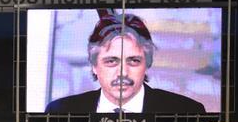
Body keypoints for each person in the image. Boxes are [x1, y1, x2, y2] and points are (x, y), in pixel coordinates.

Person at [46, 10, 206, 114]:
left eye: (133, 61)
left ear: (147, 63)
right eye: (111, 61)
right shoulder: (60, 112)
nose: (122, 72)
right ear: (94, 66)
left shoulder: (187, 111)